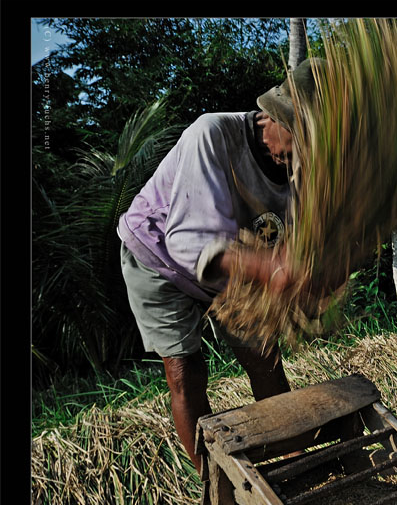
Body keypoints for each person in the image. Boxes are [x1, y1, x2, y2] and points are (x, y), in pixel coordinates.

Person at [118, 59, 327, 477]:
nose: (305, 155)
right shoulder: (212, 133)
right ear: (272, 116)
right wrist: (272, 270)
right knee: (186, 371)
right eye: (301, 140)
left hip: (239, 261)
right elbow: (190, 242)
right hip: (160, 254)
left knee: (264, 358)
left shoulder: (304, 165)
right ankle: (215, 489)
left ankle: (291, 459)